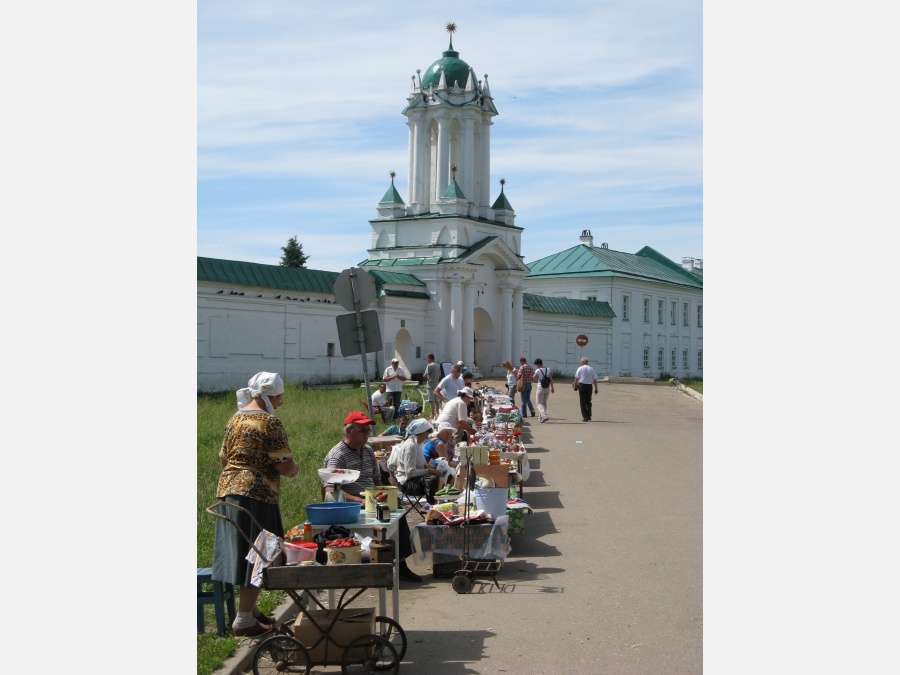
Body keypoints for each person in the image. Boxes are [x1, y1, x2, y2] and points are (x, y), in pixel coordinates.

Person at [212, 372, 299, 637]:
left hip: (229, 492)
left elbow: (225, 459)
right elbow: (284, 466)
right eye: (280, 396)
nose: (281, 402)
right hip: (256, 495)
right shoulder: (269, 422)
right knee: (259, 554)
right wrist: (294, 469)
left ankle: (251, 609)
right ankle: (244, 620)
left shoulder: (235, 418)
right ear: (270, 396)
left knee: (244, 553)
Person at [322, 411, 423, 582]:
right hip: (352, 505)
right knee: (387, 514)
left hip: (371, 500)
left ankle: (401, 563)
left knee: (398, 511)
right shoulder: (337, 455)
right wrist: (360, 500)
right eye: (362, 430)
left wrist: (386, 493)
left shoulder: (368, 451)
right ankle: (383, 565)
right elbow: (330, 491)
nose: (366, 434)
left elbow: (377, 479)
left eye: (368, 430)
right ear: (349, 431)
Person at [392, 418, 441, 504]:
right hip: (406, 484)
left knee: (442, 475)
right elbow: (410, 472)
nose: (426, 438)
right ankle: (431, 504)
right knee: (432, 479)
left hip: (414, 480)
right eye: (425, 435)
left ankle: (436, 502)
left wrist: (430, 468)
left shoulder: (417, 444)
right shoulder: (410, 446)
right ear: (419, 433)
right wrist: (429, 471)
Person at [573, 357, 600, 422]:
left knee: (583, 402)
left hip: (582, 385)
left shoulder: (580, 368)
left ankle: (585, 416)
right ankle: (589, 415)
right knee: (588, 401)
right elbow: (595, 380)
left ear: (582, 362)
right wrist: (596, 388)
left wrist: (575, 386)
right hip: (589, 386)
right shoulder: (591, 369)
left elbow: (576, 378)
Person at [532, 357, 555, 423]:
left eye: (536, 364)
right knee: (544, 403)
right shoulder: (548, 369)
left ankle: (544, 416)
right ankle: (541, 418)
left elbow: (534, 378)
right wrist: (552, 388)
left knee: (538, 403)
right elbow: (551, 379)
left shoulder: (538, 370)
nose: (536, 366)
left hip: (540, 387)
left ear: (538, 364)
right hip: (547, 387)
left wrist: (532, 375)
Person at [423, 353, 441, 418]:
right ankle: (438, 414)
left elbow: (425, 374)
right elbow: (439, 375)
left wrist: (424, 375)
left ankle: (432, 414)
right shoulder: (438, 365)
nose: (427, 360)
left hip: (430, 385)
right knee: (436, 400)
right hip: (436, 384)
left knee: (431, 400)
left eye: (427, 358)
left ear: (430, 358)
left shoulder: (429, 366)